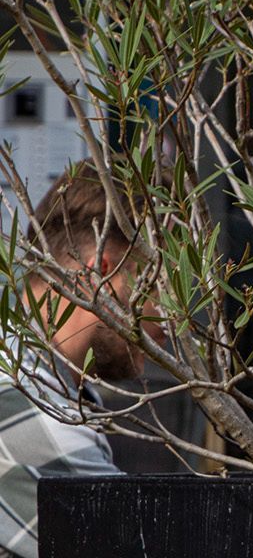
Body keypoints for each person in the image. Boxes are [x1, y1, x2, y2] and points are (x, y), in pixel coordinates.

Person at [0, 165, 145, 558]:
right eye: (159, 282)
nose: (172, 317)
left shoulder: (52, 386)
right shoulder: (24, 402)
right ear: (104, 267)